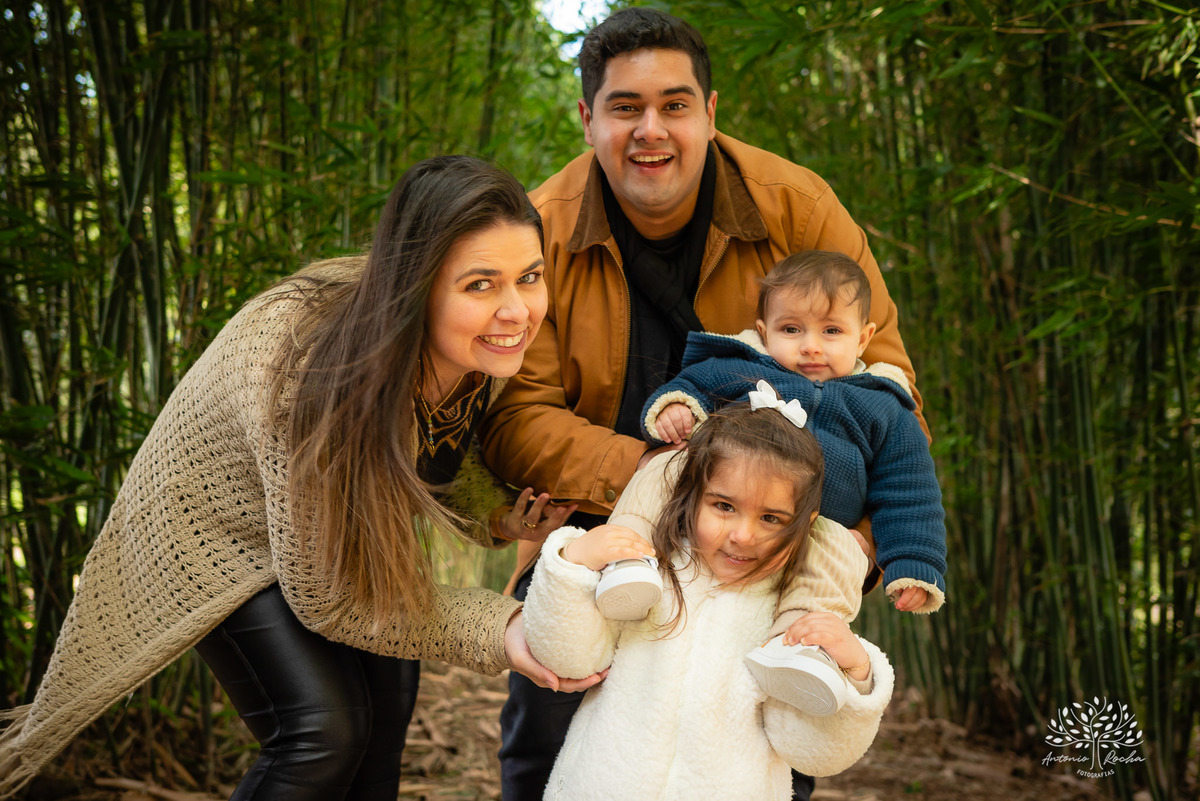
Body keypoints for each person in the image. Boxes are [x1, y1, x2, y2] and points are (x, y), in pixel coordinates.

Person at [0, 156, 595, 801]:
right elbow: (329, 598)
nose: (516, 310)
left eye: (529, 277)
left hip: (324, 528)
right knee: (324, 729)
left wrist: (494, 515)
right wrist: (502, 629)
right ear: (416, 285)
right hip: (216, 535)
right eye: (481, 285)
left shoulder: (472, 345)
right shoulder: (311, 366)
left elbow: (432, 444)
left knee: (390, 704)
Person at [478, 7, 925, 798]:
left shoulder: (795, 206)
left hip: (777, 520)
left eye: (675, 105)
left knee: (764, 720)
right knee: (553, 706)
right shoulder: (539, 229)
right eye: (625, 108)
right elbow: (520, 414)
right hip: (601, 512)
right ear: (586, 119)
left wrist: (849, 539)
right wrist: (675, 480)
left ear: (710, 113)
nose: (652, 129)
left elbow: (884, 378)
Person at [521, 399, 894, 800]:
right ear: (693, 494)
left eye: (771, 518)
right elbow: (567, 657)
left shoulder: (795, 621)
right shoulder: (647, 575)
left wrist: (854, 673)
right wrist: (573, 566)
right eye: (724, 506)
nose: (743, 535)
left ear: (806, 522)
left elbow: (813, 754)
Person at [641, 250, 947, 614]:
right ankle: (633, 557)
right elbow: (690, 384)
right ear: (763, 332)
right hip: (724, 526)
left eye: (832, 331)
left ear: (863, 339)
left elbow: (909, 488)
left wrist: (915, 561)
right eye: (791, 329)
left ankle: (805, 640)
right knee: (658, 469)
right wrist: (675, 406)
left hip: (814, 535)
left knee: (844, 550)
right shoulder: (740, 368)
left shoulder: (884, 407)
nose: (811, 346)